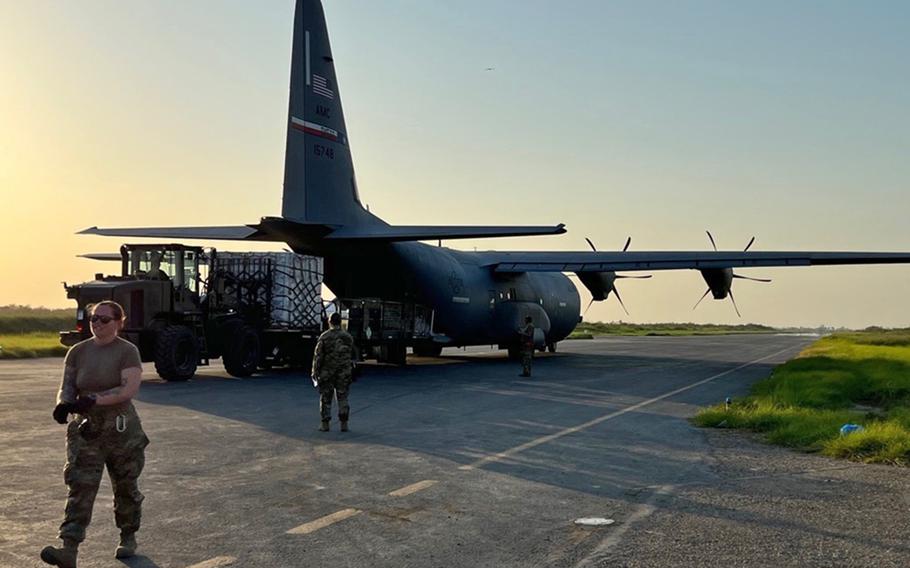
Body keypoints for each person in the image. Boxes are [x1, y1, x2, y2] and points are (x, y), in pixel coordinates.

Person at [41, 301, 149, 568]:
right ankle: (69, 548)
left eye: (104, 319)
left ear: (118, 322)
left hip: (121, 428)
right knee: (80, 485)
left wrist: (93, 399)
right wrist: (63, 403)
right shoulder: (78, 351)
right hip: (86, 429)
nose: (97, 323)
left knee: (125, 485)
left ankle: (128, 535)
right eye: (93, 318)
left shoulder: (128, 352)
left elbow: (127, 390)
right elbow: (67, 384)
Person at [311, 312, 355, 432]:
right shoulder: (348, 337)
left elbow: (318, 356)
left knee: (326, 398)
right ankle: (344, 424)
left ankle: (325, 424)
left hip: (327, 372)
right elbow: (352, 354)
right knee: (343, 397)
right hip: (344, 372)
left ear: (329, 322)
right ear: (340, 322)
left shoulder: (324, 337)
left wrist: (315, 371)